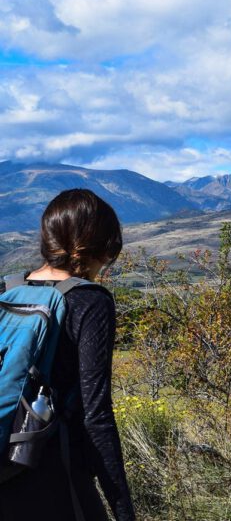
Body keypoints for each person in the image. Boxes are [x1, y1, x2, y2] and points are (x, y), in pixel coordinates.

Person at [0, 189, 136, 521]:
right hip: (54, 473)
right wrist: (123, 509)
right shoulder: (90, 302)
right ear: (101, 245)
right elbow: (96, 416)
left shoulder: (7, 290)